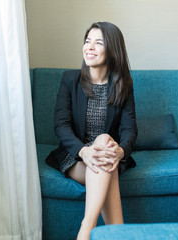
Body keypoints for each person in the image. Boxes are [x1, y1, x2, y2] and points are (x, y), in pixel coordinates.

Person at [45, 22, 137, 240]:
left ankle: (87, 228)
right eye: (87, 42)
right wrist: (84, 152)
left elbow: (130, 129)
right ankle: (99, 230)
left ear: (113, 49)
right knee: (103, 155)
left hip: (107, 155)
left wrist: (121, 151)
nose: (89, 47)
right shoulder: (70, 80)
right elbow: (61, 125)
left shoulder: (122, 84)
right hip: (75, 156)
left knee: (104, 142)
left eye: (98, 43)